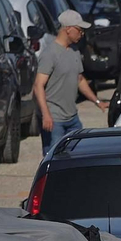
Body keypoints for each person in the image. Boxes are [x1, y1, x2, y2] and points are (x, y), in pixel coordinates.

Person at [35, 10, 107, 154]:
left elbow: (80, 80)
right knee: (53, 158)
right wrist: (46, 114)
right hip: (55, 119)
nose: (82, 34)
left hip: (72, 118)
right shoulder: (50, 54)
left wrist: (97, 102)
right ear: (68, 29)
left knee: (78, 154)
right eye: (79, 30)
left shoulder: (74, 52)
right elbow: (38, 86)